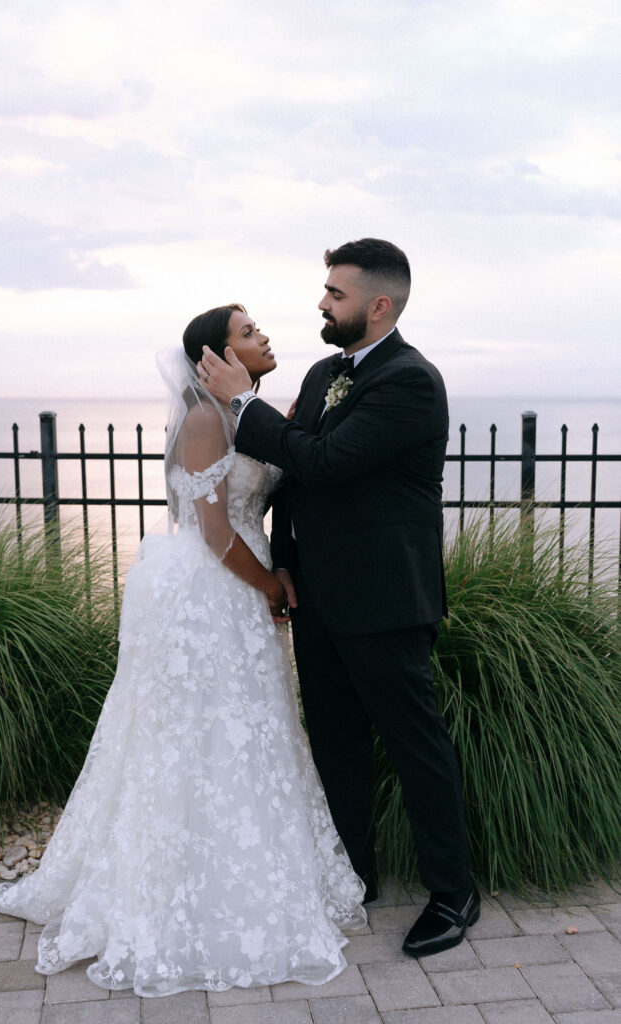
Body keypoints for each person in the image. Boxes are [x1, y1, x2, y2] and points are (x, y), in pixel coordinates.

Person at [0, 303, 366, 998]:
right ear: (212, 358)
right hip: (213, 590)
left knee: (247, 732)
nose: (264, 337)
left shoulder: (246, 412)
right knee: (192, 735)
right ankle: (173, 880)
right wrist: (272, 586)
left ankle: (237, 861)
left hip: (237, 590)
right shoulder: (202, 420)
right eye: (248, 333)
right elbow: (216, 531)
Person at [198, 238, 480, 958]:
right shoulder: (327, 370)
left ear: (377, 305)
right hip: (317, 597)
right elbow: (291, 484)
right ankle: (355, 875)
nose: (320, 303)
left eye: (334, 293)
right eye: (324, 290)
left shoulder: (410, 382)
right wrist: (282, 568)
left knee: (416, 748)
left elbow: (322, 462)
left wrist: (243, 404)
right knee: (336, 745)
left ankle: (453, 893)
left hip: (385, 600)